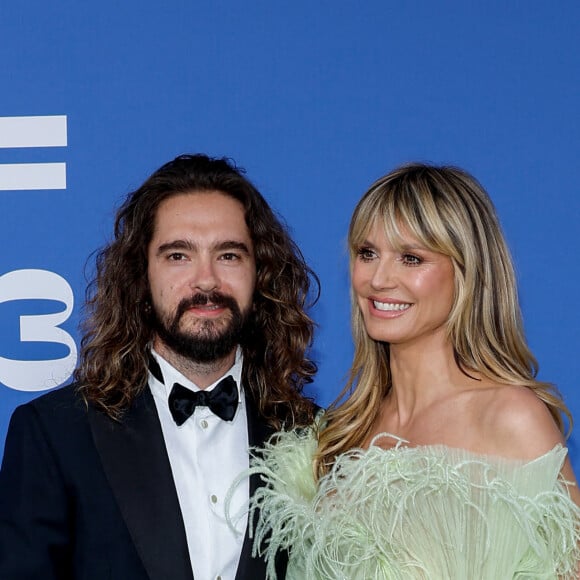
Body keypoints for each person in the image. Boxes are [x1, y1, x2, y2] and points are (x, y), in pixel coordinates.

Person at [249, 163, 580, 579]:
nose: (379, 279)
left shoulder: (509, 417)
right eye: (367, 253)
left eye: (411, 258)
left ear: (466, 273)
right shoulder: (339, 433)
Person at [0, 154, 319, 580]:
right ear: (140, 276)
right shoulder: (55, 434)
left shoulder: (313, 438)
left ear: (260, 275)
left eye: (228, 255)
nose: (206, 281)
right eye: (178, 256)